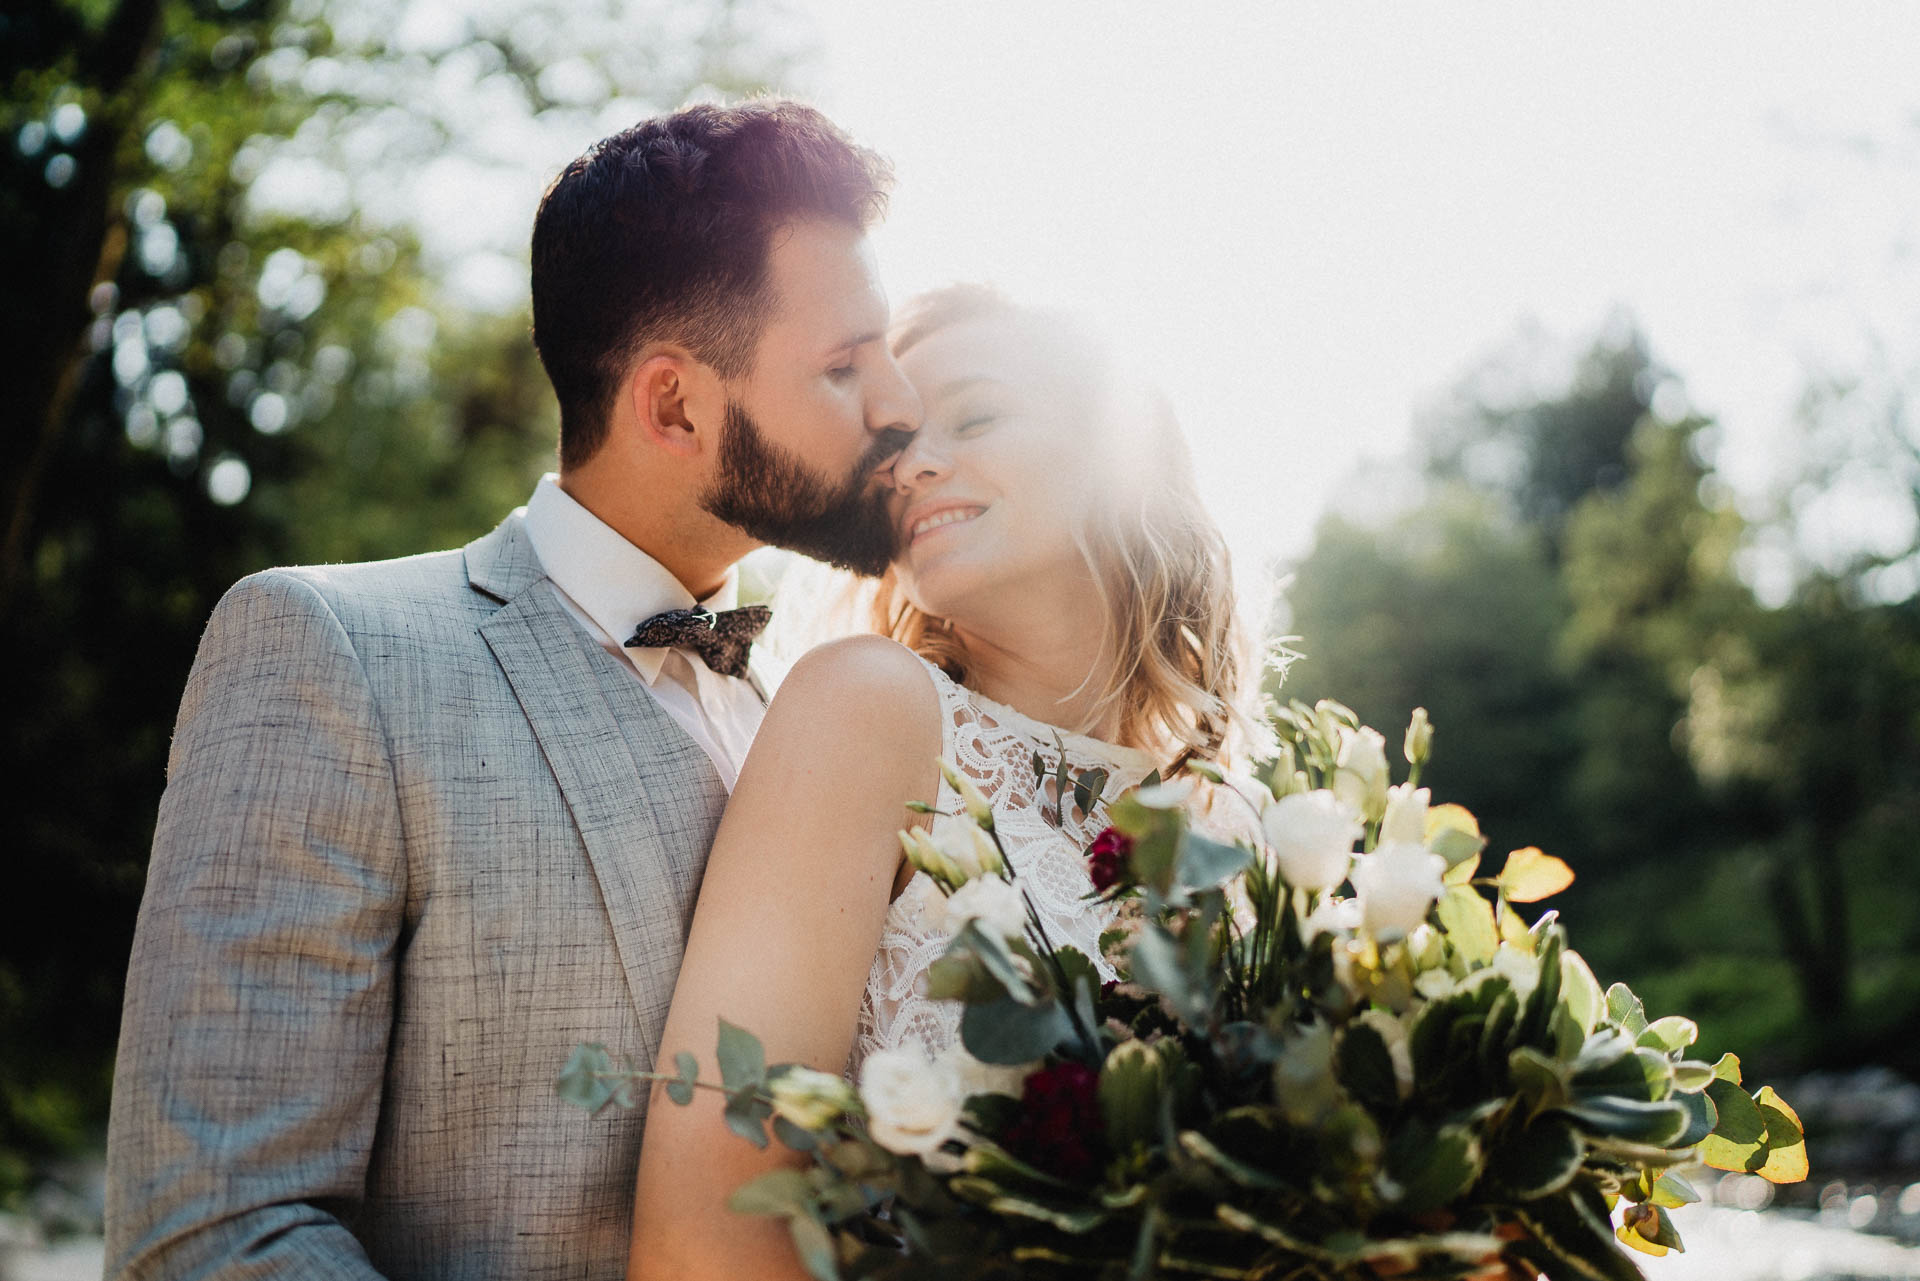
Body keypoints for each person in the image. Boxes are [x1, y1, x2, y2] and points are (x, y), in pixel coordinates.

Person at [103, 98, 920, 1279]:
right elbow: (216, 1232)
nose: (900, 404)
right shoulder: (330, 652)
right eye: (846, 365)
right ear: (674, 404)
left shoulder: (828, 719)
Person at [628, 284, 1265, 1279]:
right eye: (892, 449)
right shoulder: (871, 712)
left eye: (976, 416)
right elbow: (707, 1235)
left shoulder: (1243, 828)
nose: (914, 464)